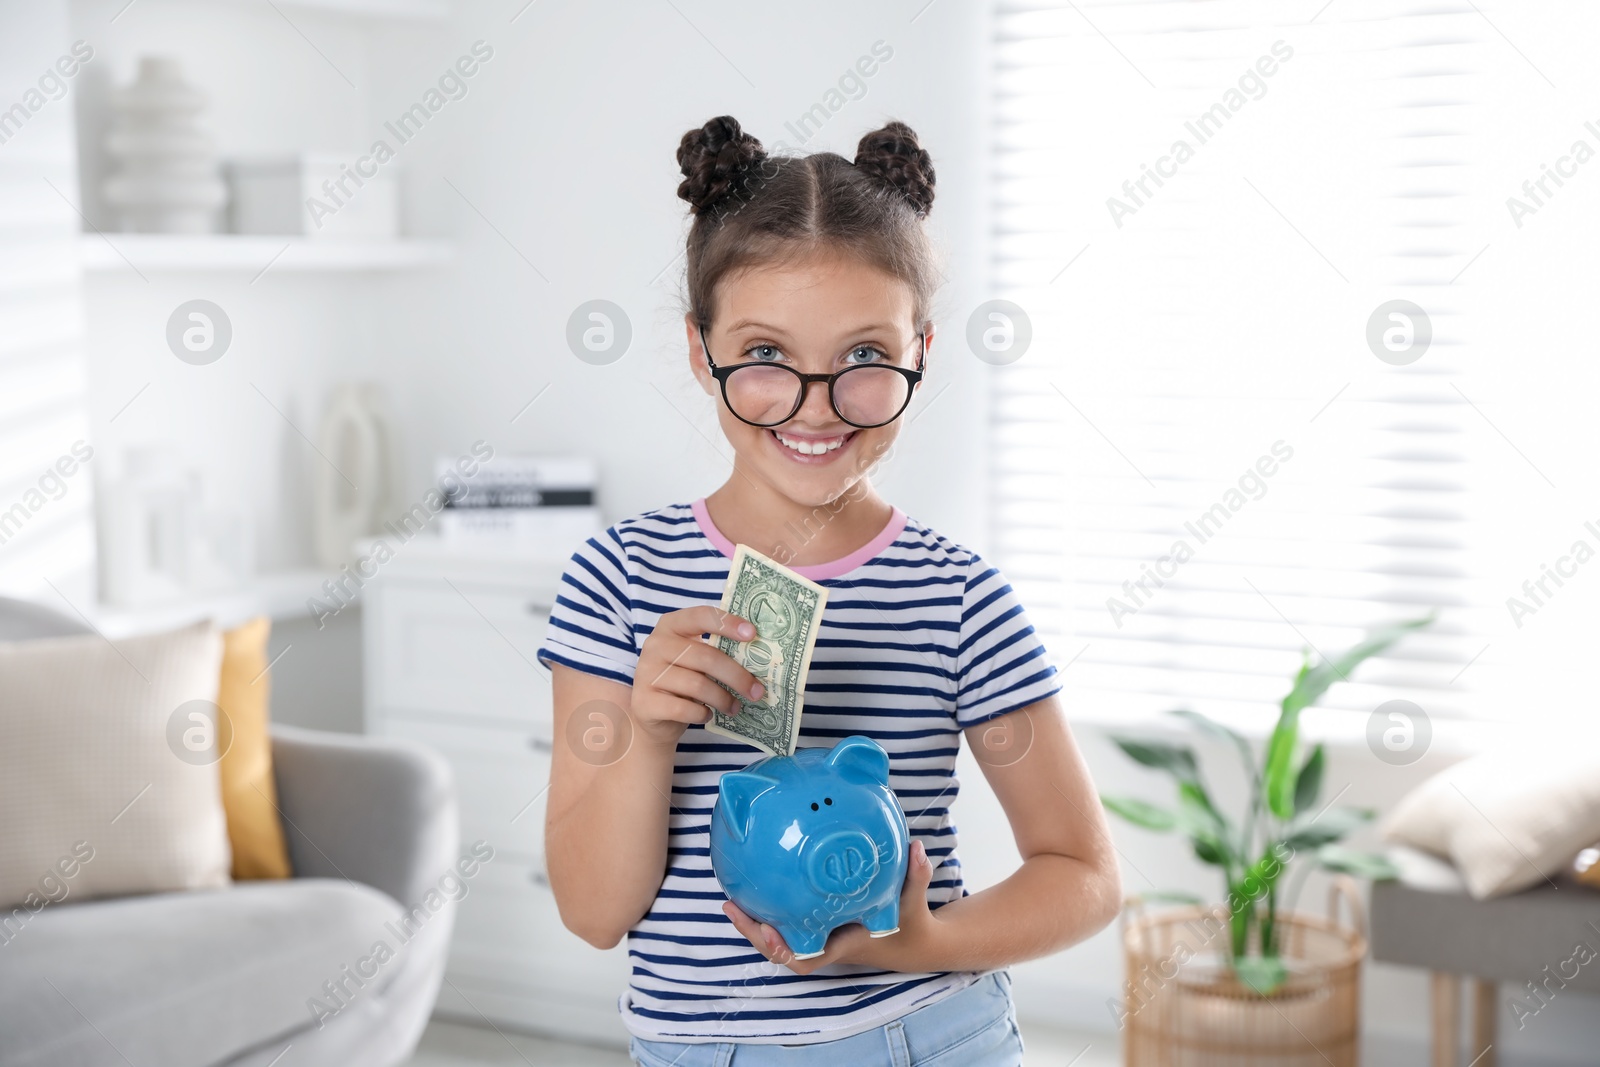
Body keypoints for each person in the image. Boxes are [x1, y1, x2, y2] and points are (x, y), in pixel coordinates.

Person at [537, 115, 1120, 1066]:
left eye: (862, 358)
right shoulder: (618, 581)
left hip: (922, 1035)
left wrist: (921, 941)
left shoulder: (959, 597)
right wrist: (645, 731)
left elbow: (1084, 873)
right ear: (700, 349)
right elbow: (595, 912)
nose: (815, 403)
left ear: (920, 352)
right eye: (765, 354)